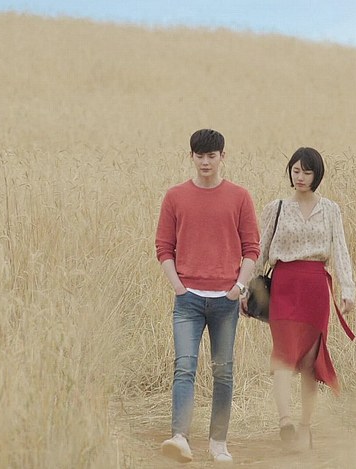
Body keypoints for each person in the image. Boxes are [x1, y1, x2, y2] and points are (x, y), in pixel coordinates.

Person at [155, 129, 260, 463]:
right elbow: (163, 247)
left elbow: (251, 248)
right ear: (191, 157)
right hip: (187, 299)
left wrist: (239, 287)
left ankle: (218, 442)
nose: (205, 162)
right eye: (199, 156)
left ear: (222, 157)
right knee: (184, 367)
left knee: (223, 371)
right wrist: (177, 285)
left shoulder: (239, 197)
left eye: (211, 156)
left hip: (224, 300)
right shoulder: (175, 197)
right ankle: (180, 437)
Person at [244, 147, 356, 451]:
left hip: (315, 288)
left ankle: (305, 428)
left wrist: (348, 290)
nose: (301, 177)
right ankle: (285, 423)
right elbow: (261, 250)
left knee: (309, 360)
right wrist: (246, 289)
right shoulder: (276, 207)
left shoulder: (331, 209)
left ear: (317, 175)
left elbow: (340, 250)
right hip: (284, 286)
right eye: (296, 171)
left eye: (307, 172)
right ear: (290, 172)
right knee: (283, 353)